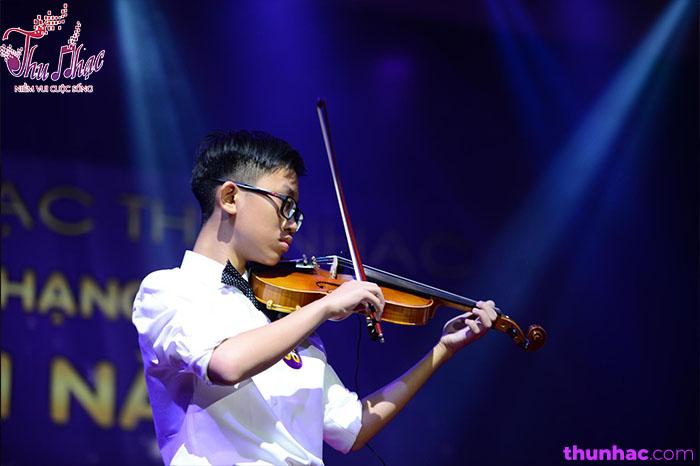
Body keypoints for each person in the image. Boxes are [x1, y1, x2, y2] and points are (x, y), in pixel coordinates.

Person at [132, 130, 498, 465]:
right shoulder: (169, 290)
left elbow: (352, 428)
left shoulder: (283, 317)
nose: (292, 223)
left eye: (296, 212)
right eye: (285, 204)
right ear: (230, 197)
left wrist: (442, 350)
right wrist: (324, 307)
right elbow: (226, 365)